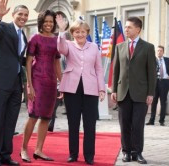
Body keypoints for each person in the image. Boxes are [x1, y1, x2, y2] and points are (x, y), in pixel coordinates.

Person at [56, 16, 105, 165]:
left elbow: (98, 68)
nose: (80, 34)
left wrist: (101, 88)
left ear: (87, 32)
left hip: (90, 88)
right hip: (72, 88)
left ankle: (89, 156)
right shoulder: (68, 44)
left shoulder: (94, 47)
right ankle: (73, 154)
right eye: (76, 31)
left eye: (82, 31)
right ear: (73, 33)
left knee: (90, 124)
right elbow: (60, 48)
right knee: (73, 123)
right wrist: (61, 31)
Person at [0, 0, 29, 165]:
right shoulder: (3, 28)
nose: (23, 17)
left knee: (10, 122)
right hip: (0, 82)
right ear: (13, 15)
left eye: (25, 15)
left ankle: (5, 155)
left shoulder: (23, 35)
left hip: (16, 85)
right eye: (20, 14)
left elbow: (18, 58)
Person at [111, 17, 156, 164]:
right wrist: (114, 90)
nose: (126, 29)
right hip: (123, 92)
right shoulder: (120, 47)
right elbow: (116, 70)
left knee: (137, 124)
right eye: (125, 27)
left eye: (129, 27)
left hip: (141, 93)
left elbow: (151, 73)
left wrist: (150, 93)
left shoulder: (148, 47)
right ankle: (126, 152)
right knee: (124, 124)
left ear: (138, 29)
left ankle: (138, 153)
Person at [20, 10, 62, 163]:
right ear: (41, 23)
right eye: (46, 22)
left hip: (51, 82)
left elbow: (57, 62)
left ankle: (39, 150)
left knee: (46, 117)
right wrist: (29, 86)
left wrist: (61, 82)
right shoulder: (35, 38)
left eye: (51, 22)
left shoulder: (56, 40)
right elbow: (28, 62)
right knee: (33, 115)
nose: (49, 24)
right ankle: (24, 148)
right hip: (37, 79)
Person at [146, 45, 169, 126]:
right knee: (154, 102)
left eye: (160, 50)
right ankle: (151, 120)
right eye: (158, 51)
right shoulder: (152, 60)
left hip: (164, 82)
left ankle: (161, 120)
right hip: (155, 83)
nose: (159, 52)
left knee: (163, 102)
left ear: (163, 52)